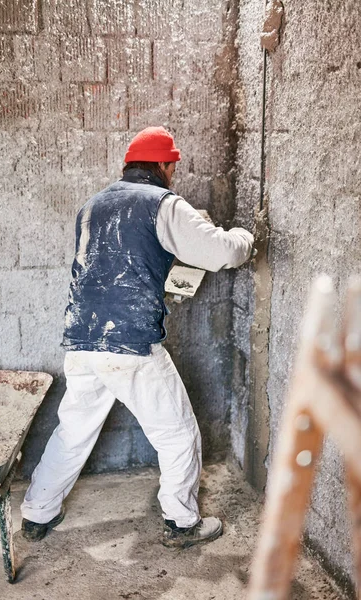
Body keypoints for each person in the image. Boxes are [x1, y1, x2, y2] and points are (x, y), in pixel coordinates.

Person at [21, 126, 254, 548]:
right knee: (179, 434)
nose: (173, 175)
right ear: (164, 166)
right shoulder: (163, 204)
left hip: (82, 338)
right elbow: (221, 252)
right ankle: (182, 523)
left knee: (73, 431)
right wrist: (245, 238)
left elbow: (108, 267)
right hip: (129, 344)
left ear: (128, 165)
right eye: (172, 168)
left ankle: (37, 513)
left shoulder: (94, 205)